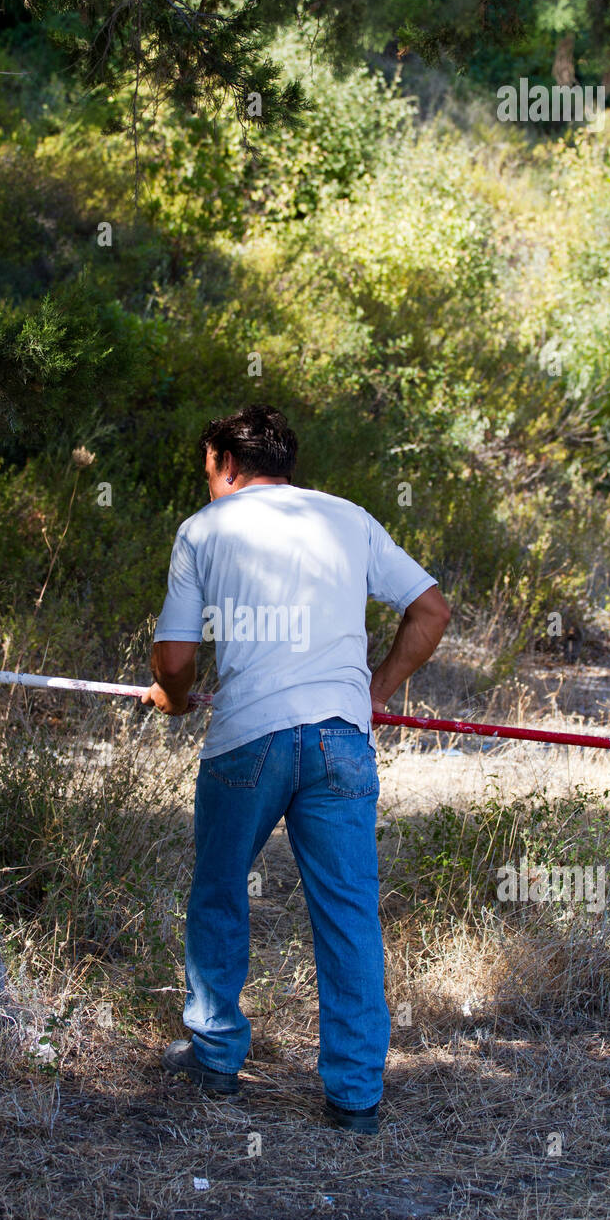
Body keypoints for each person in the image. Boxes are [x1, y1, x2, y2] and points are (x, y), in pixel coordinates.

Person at [141, 404, 450, 1133]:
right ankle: (354, 1095)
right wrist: (371, 694)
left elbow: (177, 659)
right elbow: (431, 610)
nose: (208, 482)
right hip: (341, 740)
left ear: (226, 464)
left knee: (219, 892)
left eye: (208, 469)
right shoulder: (348, 518)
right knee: (347, 912)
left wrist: (172, 698)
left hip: (249, 739)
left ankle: (216, 1055)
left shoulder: (203, 530)